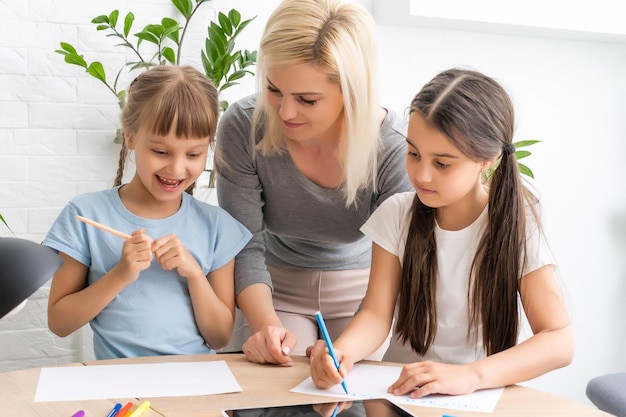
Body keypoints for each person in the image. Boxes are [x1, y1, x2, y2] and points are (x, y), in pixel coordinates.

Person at [309, 68, 574, 397]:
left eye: (443, 164)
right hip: (398, 395)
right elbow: (376, 314)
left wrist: (470, 376)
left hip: (476, 396)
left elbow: (559, 341)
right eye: (413, 153)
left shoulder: (517, 226)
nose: (421, 175)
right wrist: (343, 352)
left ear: (486, 160)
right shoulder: (396, 214)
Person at [215, 0, 412, 365]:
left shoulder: (394, 148)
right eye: (274, 90)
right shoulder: (243, 126)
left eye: (307, 99)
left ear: (352, 91)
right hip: (271, 285)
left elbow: (394, 274)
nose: (285, 112)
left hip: (365, 292)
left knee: (351, 390)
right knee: (276, 381)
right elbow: (243, 244)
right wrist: (266, 327)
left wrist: (348, 350)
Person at [43, 66, 252, 359]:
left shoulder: (216, 226)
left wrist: (194, 273)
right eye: (161, 152)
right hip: (118, 385)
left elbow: (219, 337)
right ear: (130, 137)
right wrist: (120, 274)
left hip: (194, 383)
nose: (177, 169)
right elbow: (60, 323)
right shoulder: (85, 213)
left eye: (193, 154)